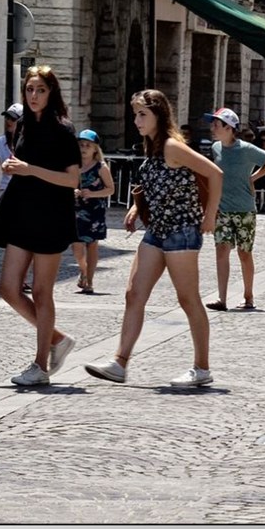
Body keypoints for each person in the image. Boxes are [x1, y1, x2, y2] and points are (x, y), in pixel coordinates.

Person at [85, 88, 223, 390]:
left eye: (142, 114)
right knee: (134, 294)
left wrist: (210, 215)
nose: (136, 120)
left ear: (159, 116)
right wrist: (136, 207)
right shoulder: (152, 147)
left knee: (188, 299)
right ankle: (119, 363)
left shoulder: (173, 146)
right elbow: (155, 183)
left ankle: (202, 367)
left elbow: (214, 174)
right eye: (135, 114)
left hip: (181, 230)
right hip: (156, 231)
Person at [0, 65, 82, 388]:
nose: (33, 95)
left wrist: (30, 169)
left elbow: (72, 179)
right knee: (9, 288)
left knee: (41, 291)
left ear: (51, 93)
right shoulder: (23, 125)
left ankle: (40, 365)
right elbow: (21, 165)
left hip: (51, 215)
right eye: (29, 90)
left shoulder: (63, 130)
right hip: (22, 213)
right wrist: (14, 167)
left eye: (40, 90)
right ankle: (57, 340)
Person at [205, 107, 265, 311]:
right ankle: (222, 298)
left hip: (245, 209)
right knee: (221, 251)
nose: (213, 127)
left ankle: (248, 296)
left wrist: (252, 178)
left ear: (229, 128)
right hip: (222, 208)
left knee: (244, 253)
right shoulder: (215, 148)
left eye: (216, 124)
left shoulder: (246, 148)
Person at [73, 130, 114, 292]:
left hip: (94, 210)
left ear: (95, 149)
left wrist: (93, 193)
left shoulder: (101, 167)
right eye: (81, 145)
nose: (84, 148)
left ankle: (89, 281)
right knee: (76, 245)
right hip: (75, 209)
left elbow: (110, 189)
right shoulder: (73, 166)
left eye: (88, 146)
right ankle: (83, 269)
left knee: (92, 245)